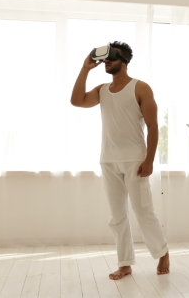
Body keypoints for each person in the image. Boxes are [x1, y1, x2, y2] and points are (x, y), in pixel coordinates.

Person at [70, 41, 169, 280]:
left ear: (123, 61)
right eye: (105, 60)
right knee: (117, 216)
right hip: (109, 160)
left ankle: (162, 252)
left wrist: (150, 160)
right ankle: (125, 263)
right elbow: (77, 100)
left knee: (143, 211)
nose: (107, 63)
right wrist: (85, 68)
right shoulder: (102, 90)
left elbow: (153, 126)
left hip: (135, 159)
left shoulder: (140, 88)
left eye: (112, 59)